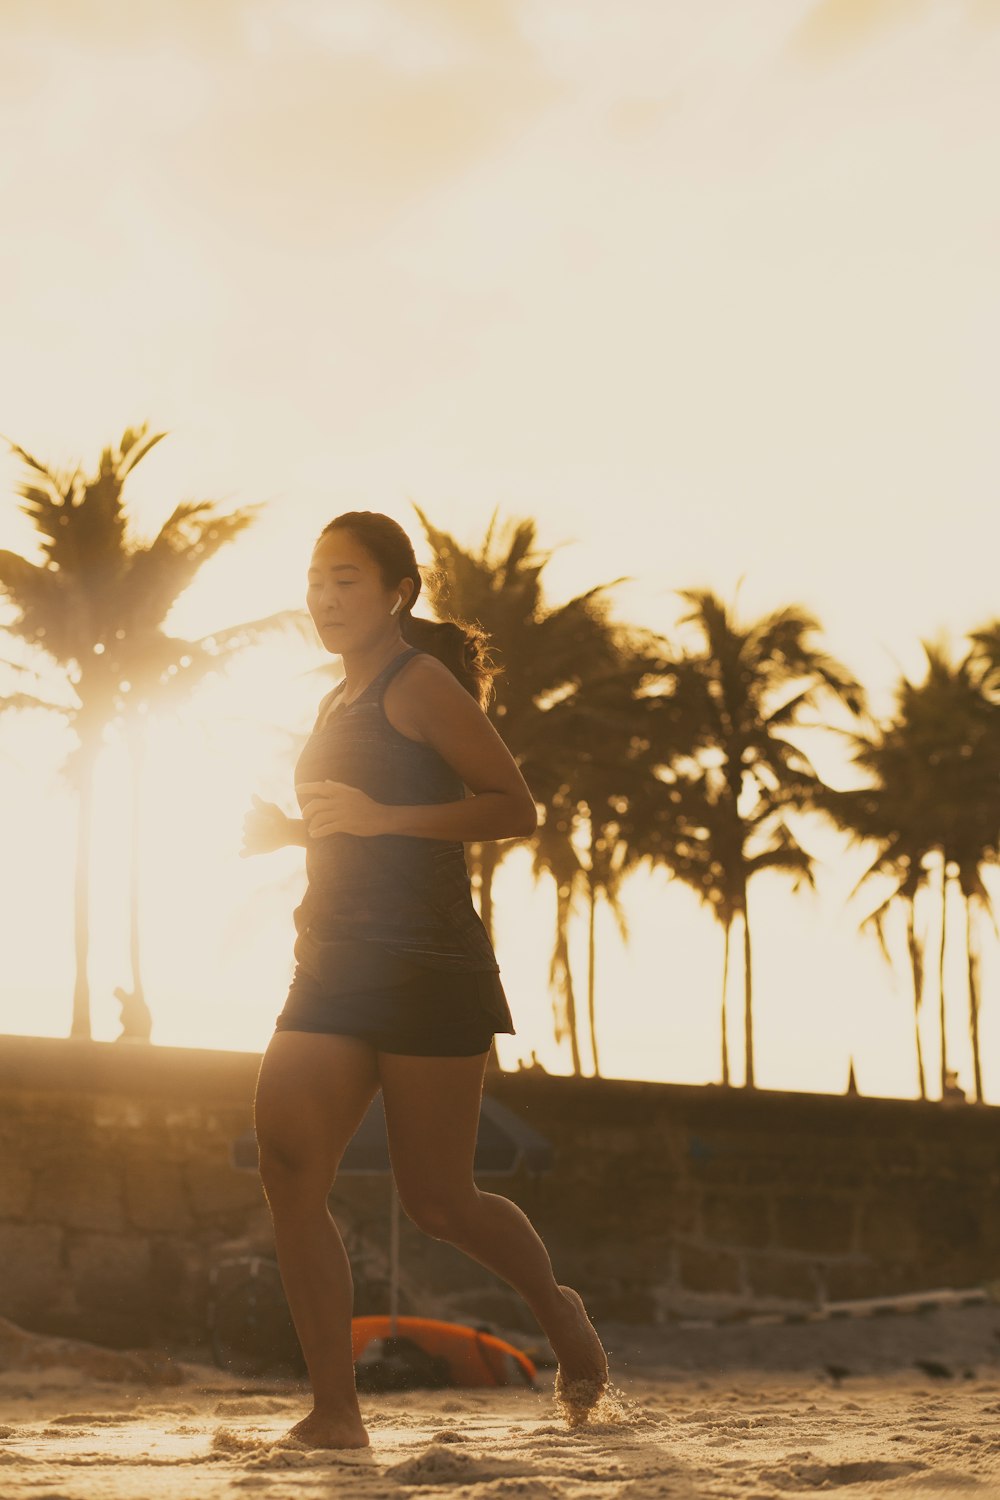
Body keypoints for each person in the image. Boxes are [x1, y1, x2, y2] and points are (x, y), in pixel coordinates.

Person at [242, 511, 609, 1450]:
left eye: (347, 579)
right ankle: (336, 1411)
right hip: (330, 961)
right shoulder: (338, 699)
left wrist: (377, 820)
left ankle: (561, 1316)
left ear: (398, 592)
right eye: (317, 578)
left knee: (439, 1201)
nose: (325, 596)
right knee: (287, 1162)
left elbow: (512, 806)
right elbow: (355, 815)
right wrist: (294, 831)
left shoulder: (420, 685)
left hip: (426, 968)